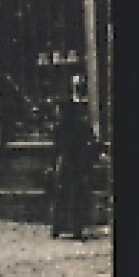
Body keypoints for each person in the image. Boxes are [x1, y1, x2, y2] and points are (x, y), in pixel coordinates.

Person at [50, 99, 99, 239]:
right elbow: (92, 145)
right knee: (76, 196)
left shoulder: (60, 129)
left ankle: (59, 226)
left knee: (63, 195)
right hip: (77, 165)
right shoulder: (82, 127)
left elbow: (56, 149)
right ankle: (75, 227)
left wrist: (53, 165)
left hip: (68, 164)